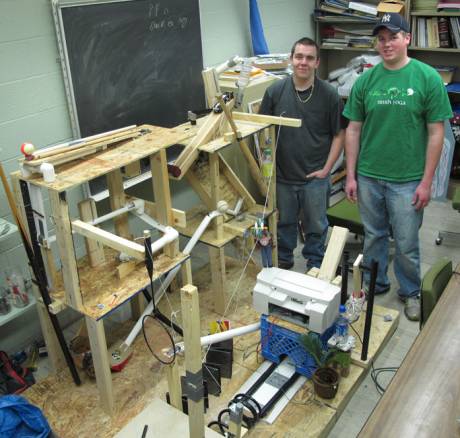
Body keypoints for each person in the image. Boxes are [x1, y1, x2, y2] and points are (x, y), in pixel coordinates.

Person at [343, 13, 453, 321]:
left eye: (393, 36)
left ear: (407, 38)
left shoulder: (427, 77)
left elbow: (437, 133)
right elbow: (353, 129)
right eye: (381, 38)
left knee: (405, 242)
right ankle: (375, 284)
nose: (386, 43)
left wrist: (427, 182)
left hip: (407, 179)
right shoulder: (365, 80)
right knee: (374, 235)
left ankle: (410, 291)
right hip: (368, 176)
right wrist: (350, 175)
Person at [259, 37, 344, 270]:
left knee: (316, 225)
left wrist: (327, 169)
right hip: (283, 177)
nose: (303, 62)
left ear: (317, 62)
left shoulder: (329, 95)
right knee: (284, 223)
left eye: (309, 58)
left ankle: (315, 265)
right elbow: (263, 132)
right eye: (299, 57)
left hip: (315, 176)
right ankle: (283, 262)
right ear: (291, 59)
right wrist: (268, 170)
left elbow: (339, 134)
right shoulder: (275, 92)